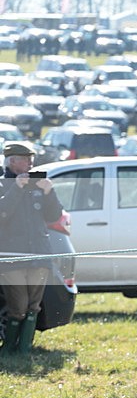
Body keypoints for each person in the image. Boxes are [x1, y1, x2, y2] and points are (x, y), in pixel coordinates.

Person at [0, 142, 64, 356]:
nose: (30, 164)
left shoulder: (37, 185)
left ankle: (24, 349)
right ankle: (8, 348)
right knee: (18, 306)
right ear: (12, 161)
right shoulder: (3, 185)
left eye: (31, 160)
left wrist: (49, 192)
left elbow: (54, 216)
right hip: (12, 258)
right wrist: (16, 188)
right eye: (26, 159)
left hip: (39, 254)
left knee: (33, 307)